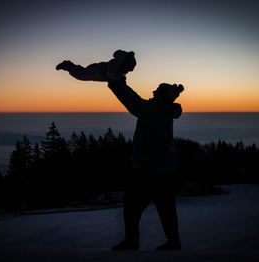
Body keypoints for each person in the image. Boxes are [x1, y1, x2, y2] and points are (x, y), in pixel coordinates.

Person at [56, 51, 183, 251]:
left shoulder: (154, 111)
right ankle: (172, 242)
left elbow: (133, 103)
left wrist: (115, 83)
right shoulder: (160, 109)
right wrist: (120, 83)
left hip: (150, 168)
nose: (153, 91)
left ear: (164, 96)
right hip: (163, 168)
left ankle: (132, 242)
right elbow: (137, 99)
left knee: (132, 205)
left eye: (158, 90)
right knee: (165, 206)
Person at [56, 50, 136, 82]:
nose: (128, 71)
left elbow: (115, 74)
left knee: (82, 73)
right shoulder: (114, 63)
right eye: (128, 69)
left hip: (97, 71)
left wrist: (121, 77)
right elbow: (111, 74)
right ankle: (68, 65)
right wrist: (121, 78)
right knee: (81, 75)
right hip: (96, 70)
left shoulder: (118, 66)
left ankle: (69, 65)